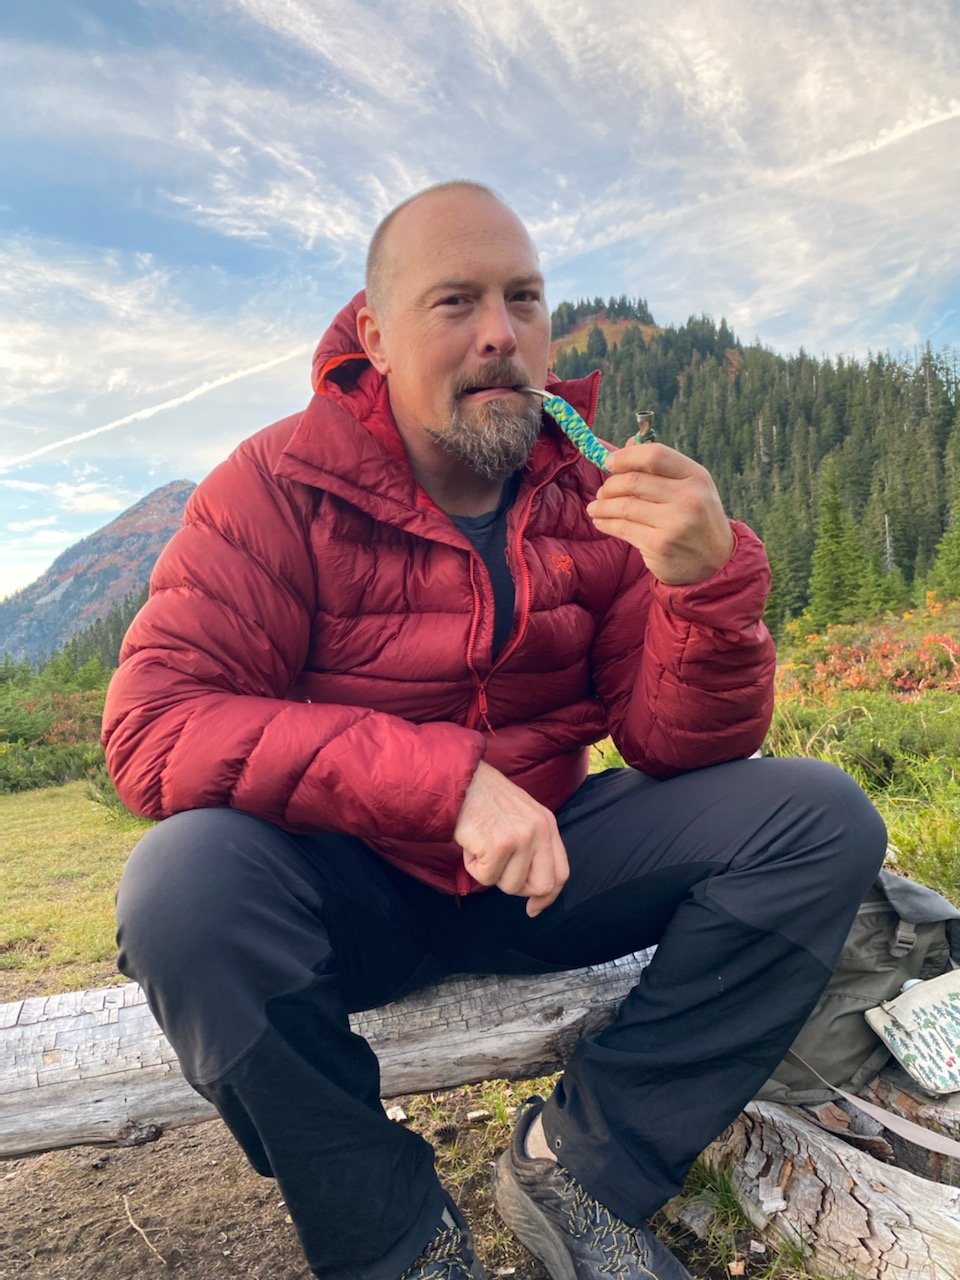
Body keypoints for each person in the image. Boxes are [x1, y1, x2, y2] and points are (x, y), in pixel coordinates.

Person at [105, 180, 887, 1280]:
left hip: (546, 873)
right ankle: (394, 1236)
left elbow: (676, 747)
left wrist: (708, 593)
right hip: (347, 897)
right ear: (376, 335)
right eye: (455, 301)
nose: (499, 335)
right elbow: (154, 723)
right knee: (182, 886)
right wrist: (446, 782)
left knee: (818, 818)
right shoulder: (273, 487)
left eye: (523, 298)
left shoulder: (594, 493)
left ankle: (585, 1166)